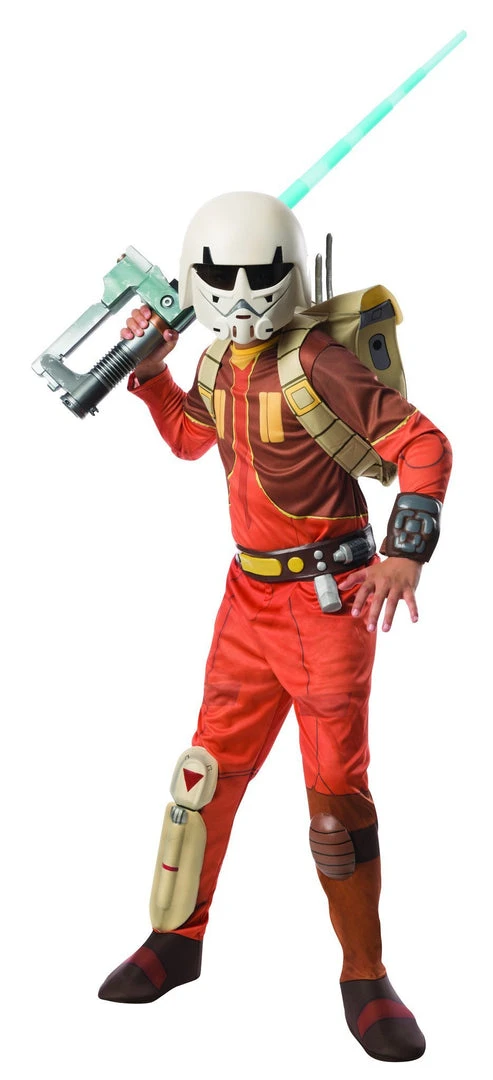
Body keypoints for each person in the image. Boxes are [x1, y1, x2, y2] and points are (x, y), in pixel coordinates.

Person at [98, 192, 452, 1062]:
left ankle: (364, 976)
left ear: (291, 273)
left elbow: (422, 445)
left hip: (328, 602)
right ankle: (177, 940)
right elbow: (192, 439)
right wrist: (150, 374)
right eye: (220, 276)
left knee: (335, 802)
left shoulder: (317, 363)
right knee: (204, 775)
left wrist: (404, 550)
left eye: (260, 274)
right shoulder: (218, 359)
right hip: (247, 599)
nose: (241, 293)